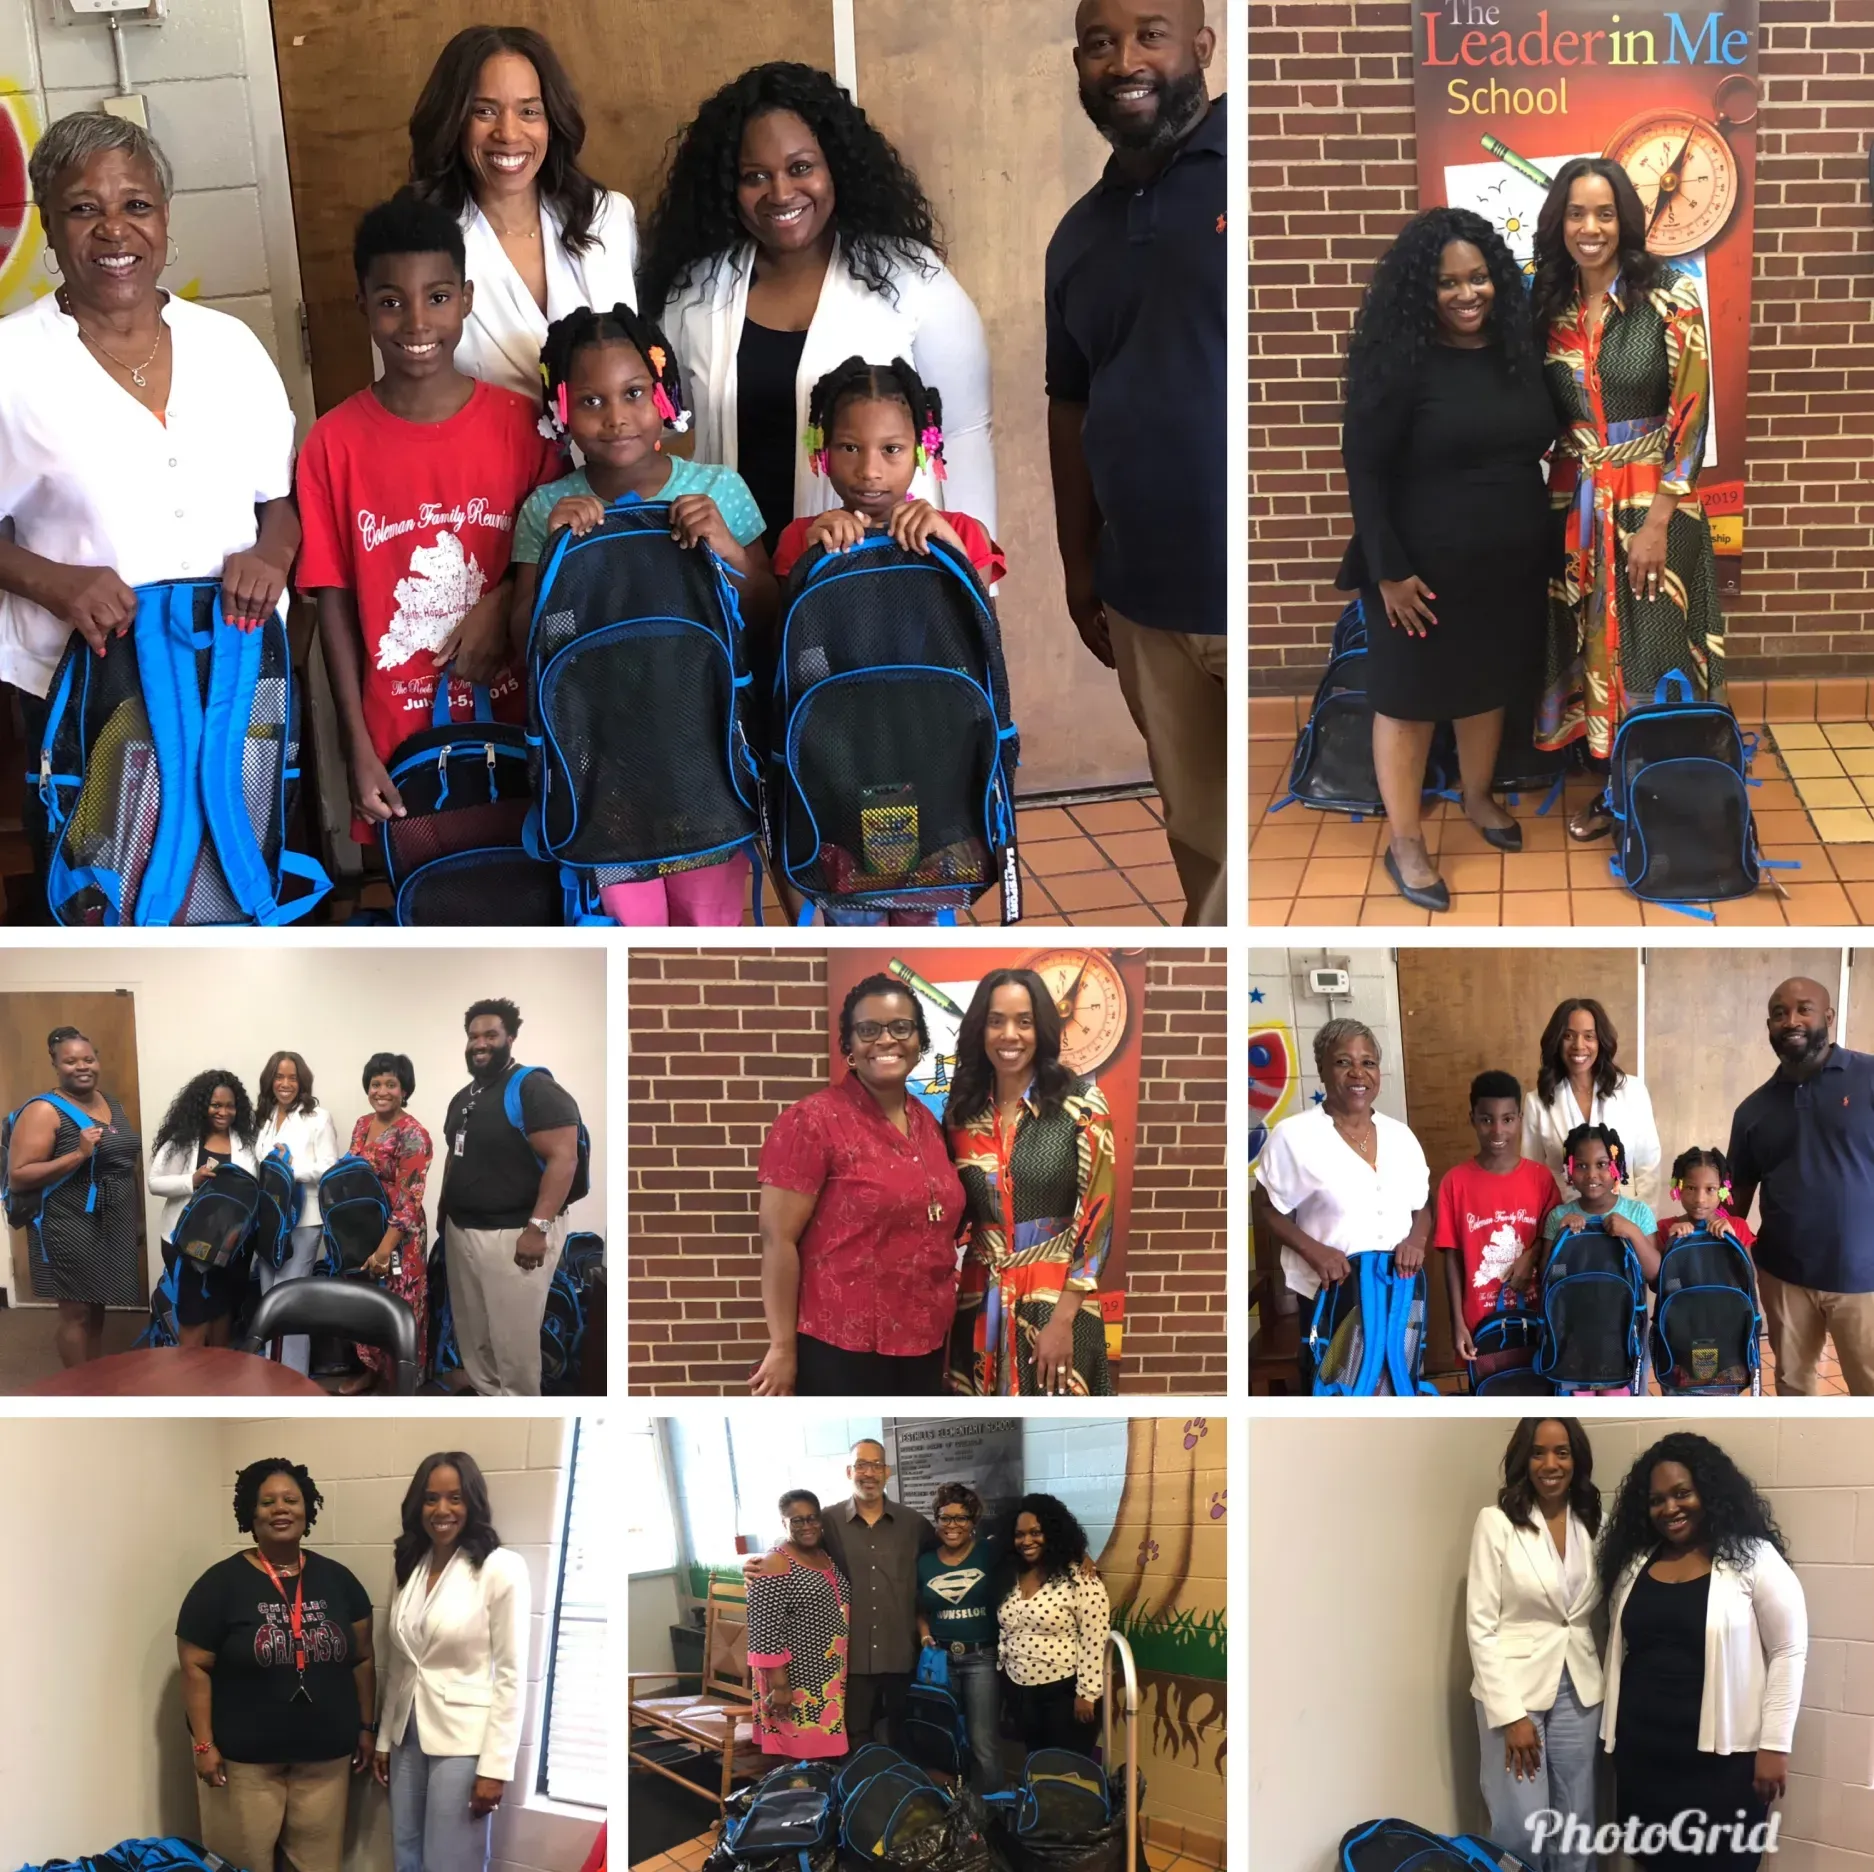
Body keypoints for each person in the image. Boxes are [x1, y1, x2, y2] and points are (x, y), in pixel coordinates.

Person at [0, 114, 298, 915]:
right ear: (50, 226)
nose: (114, 230)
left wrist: (270, 558)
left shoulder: (228, 344)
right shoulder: (11, 362)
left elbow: (281, 505)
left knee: (234, 879)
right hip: (88, 686)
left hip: (234, 675)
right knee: (108, 895)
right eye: (83, 208)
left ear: (165, 218)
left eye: (136, 204)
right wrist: (59, 582)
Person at [643, 63, 993, 554]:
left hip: (873, 578)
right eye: (755, 176)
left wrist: (974, 583)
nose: (781, 193)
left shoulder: (910, 277)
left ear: (836, 167)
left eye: (801, 167)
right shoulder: (696, 292)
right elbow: (651, 423)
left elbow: (963, 429)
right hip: (734, 578)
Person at [297, 192, 561, 842]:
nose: (416, 321)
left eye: (437, 297)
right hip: (399, 742)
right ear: (363, 306)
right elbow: (331, 607)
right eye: (391, 302)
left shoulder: (524, 427)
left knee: (531, 901)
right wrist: (354, 748)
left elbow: (556, 561)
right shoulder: (331, 445)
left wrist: (500, 601)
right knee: (431, 907)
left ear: (466, 299)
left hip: (523, 728)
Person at [507, 304, 776, 926]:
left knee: (706, 926)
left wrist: (728, 548)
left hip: (705, 756)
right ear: (561, 409)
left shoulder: (719, 488)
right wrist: (554, 556)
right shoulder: (546, 506)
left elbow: (766, 614)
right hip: (602, 766)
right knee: (627, 929)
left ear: (663, 394)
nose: (616, 417)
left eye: (632, 393)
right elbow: (525, 638)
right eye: (592, 401)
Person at [1047, 0, 1226, 925]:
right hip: (1144, 602)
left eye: (1150, 34)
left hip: (1257, 598)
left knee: (1267, 851)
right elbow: (1068, 404)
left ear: (1202, 46)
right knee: (1201, 836)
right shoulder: (1076, 238)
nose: (1124, 60)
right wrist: (1081, 568)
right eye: (1099, 43)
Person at [1338, 207, 1555, 911]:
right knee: (1408, 703)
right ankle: (1405, 841)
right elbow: (1364, 470)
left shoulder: (1516, 350)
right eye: (1447, 283)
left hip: (1506, 565)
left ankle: (1477, 796)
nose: (1468, 294)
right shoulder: (1400, 359)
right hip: (1418, 573)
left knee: (1485, 687)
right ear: (1419, 290)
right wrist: (1389, 570)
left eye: (1479, 278)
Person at [1530, 159, 1725, 836]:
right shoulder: (1545, 305)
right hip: (1575, 502)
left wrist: (1660, 521)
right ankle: (1618, 792)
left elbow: (1691, 415)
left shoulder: (1670, 295)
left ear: (1626, 221)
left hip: (1650, 501)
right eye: (1578, 213)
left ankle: (1667, 790)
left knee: (1652, 648)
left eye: (1605, 213)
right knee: (1593, 650)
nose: (1591, 228)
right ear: (1560, 222)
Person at [1599, 1434, 1807, 1872]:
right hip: (1645, 1751)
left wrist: (1775, 1746)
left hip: (1723, 1762)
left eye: (1681, 1494)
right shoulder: (1636, 1560)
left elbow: (1789, 1650)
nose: (1669, 1509)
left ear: (1708, 1493)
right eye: (1657, 1500)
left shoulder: (1753, 1558)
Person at [752, 977, 966, 1397]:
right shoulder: (811, 1122)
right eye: (869, 1030)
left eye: (901, 1028)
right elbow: (777, 1240)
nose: (886, 1040)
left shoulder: (929, 1122)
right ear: (849, 1046)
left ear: (919, 1040)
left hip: (925, 1338)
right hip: (843, 1348)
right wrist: (782, 1347)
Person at [406, 25, 639, 400]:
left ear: (552, 121)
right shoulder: (413, 241)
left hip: (610, 456)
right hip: (484, 459)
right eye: (484, 111)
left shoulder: (608, 217)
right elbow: (402, 402)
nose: (509, 133)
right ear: (454, 122)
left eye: (529, 111)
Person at [177, 1458, 376, 1872]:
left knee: (317, 1866)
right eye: (267, 1501)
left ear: (308, 1510)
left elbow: (362, 1658)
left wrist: (365, 1726)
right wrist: (203, 1744)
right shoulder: (218, 1585)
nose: (280, 1509)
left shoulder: (339, 1580)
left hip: (326, 1761)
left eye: (291, 1499)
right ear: (251, 1512)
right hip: (244, 1764)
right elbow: (195, 1666)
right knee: (241, 1864)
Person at [944, 968, 1117, 1397]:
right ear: (980, 1028)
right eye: (996, 1020)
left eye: (1024, 1021)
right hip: (977, 1297)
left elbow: (1099, 1217)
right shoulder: (961, 1111)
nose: (1010, 1035)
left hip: (1055, 1300)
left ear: (1042, 1027)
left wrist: (1063, 1321)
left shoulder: (1080, 1104)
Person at [1251, 1018, 1432, 1384]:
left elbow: (1422, 1207)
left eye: (1368, 1062)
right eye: (1343, 1062)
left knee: (1398, 1380)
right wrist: (1315, 1252)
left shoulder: (1401, 1136)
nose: (1357, 1073)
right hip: (1332, 1295)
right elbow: (1265, 1206)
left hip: (1397, 1290)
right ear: (1321, 1069)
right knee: (1336, 1386)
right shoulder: (1295, 1136)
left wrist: (1416, 1241)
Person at [374, 1452, 532, 1871]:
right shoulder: (408, 1565)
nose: (441, 1510)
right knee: (405, 1850)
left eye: (454, 1498)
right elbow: (400, 1661)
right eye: (430, 1499)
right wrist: (383, 1738)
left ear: (472, 1503)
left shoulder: (501, 1568)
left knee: (451, 1859)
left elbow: (512, 1675)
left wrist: (495, 1768)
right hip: (406, 1734)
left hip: (464, 1742)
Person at [1465, 1419, 1605, 1872]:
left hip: (1579, 1688)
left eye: (1562, 1452)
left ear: (1576, 1459)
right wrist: (1511, 1715)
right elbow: (1481, 1625)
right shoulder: (1497, 1522)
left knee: (1576, 1819)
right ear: (1523, 1459)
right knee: (1522, 1825)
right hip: (1514, 1692)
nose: (1550, 1464)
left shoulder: (1591, 1522)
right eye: (1539, 1452)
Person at [1727, 976, 1874, 1395]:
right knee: (1793, 1391)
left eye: (1803, 1009)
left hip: (1865, 1280)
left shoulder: (1869, 1077)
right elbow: (1734, 1201)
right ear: (1769, 1026)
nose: (1790, 1020)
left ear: (1828, 1017)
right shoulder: (1752, 1110)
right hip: (1784, 1278)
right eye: (1779, 1013)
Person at [436, 999, 583, 1397]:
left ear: (510, 1039)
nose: (479, 1043)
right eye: (473, 1036)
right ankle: (488, 1394)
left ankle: (518, 1402)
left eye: (490, 1035)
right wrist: (442, 1214)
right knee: (474, 1334)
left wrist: (537, 1229)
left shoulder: (534, 1089)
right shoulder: (465, 1095)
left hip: (515, 1235)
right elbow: (456, 1153)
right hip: (462, 1231)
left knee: (513, 1342)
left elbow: (564, 1159)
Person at [750, 1438, 936, 1750]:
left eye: (876, 1465)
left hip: (901, 1653)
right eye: (861, 1465)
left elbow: (937, 1567)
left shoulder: (914, 1523)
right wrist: (759, 1564)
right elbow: (795, 1547)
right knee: (853, 1737)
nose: (869, 1473)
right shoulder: (828, 1522)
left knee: (905, 1734)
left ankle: (901, 1793)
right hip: (849, 1660)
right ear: (849, 1471)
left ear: (887, 1471)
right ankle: (858, 1795)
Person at [4, 1025, 141, 1366]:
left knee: (97, 1305)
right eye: (71, 1061)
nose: (82, 1067)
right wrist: (77, 1154)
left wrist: (135, 1217)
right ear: (55, 1065)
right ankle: (78, 1388)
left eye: (88, 1059)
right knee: (77, 1311)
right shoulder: (44, 1110)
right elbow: (18, 1177)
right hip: (67, 1222)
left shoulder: (110, 1102)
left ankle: (91, 1375)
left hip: (112, 1219)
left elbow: (123, 1161)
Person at [1434, 1072, 1561, 1366]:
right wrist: (1458, 1323)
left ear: (1519, 1118)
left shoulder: (1540, 1178)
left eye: (1507, 1119)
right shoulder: (1455, 1182)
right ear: (1472, 1119)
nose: (1497, 1131)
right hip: (1480, 1324)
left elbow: (1553, 1237)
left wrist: (1531, 1255)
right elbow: (1451, 1259)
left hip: (1535, 1317)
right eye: (1486, 1119)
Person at [148, 1071, 259, 1351]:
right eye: (216, 1105)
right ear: (201, 1105)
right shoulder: (182, 1141)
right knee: (193, 1315)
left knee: (223, 1311)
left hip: (229, 1245)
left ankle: (216, 1378)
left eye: (230, 1105)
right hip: (185, 1241)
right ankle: (191, 1383)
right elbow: (154, 1183)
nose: (224, 1112)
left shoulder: (245, 1142)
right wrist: (191, 1181)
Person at [344, 1052, 433, 1396]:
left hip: (400, 1236)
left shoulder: (414, 1134)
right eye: (375, 1083)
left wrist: (384, 1250)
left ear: (405, 1089)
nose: (382, 1090)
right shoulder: (362, 1124)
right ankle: (372, 1372)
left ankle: (396, 1384)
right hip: (364, 1226)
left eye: (391, 1084)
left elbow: (410, 1199)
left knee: (399, 1307)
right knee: (365, 1305)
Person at [995, 1493, 1109, 1757]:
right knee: (1035, 1761)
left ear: (1055, 1533)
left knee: (1064, 1771)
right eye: (1019, 1534)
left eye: (1036, 1532)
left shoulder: (1080, 1579)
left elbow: (1095, 1639)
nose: (1027, 1541)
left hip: (1063, 1693)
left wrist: (1087, 1694)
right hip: (1019, 1690)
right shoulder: (1009, 1576)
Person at [1522, 998, 1662, 1211]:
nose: (1579, 1046)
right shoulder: (1537, 1102)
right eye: (1568, 1036)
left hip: (1627, 1221)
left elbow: (1648, 1167)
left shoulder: (1633, 1091)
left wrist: (1638, 1223)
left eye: (1589, 1036)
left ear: (1601, 1042)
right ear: (1557, 1041)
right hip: (1566, 1224)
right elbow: (1531, 1175)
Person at [252, 1050, 341, 1376]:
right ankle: (267, 1372)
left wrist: (291, 1169)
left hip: (302, 1221)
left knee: (292, 1300)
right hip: (270, 1219)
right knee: (269, 1298)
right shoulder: (265, 1116)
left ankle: (291, 1377)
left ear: (302, 1081)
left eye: (292, 1077)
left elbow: (330, 1167)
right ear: (270, 1080)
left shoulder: (318, 1117)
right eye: (279, 1076)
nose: (285, 1083)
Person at [747, 1489, 851, 1760]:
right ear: (784, 1523)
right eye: (797, 1520)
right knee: (797, 1755)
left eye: (812, 1518)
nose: (807, 1526)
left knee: (820, 1755)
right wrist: (780, 1686)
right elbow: (763, 1632)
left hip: (825, 1676)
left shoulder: (824, 1554)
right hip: (795, 1678)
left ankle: (821, 1799)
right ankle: (797, 1800)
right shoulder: (776, 1561)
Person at [916, 1482, 1002, 1794]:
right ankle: (953, 1810)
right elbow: (920, 1609)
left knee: (983, 1742)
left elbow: (1034, 1551)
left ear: (973, 1521)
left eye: (961, 1518)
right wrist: (925, 1638)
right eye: (945, 1517)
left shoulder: (989, 1553)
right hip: (941, 1661)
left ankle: (992, 1814)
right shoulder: (925, 1562)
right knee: (944, 1736)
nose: (952, 1526)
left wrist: (1082, 1555)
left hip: (982, 1659)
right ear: (936, 1520)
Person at [1539, 1125, 1659, 1282]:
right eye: (1581, 1166)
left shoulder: (1638, 1212)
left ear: (1617, 1166)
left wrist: (1633, 1232)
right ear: (1570, 1169)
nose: (1591, 1175)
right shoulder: (1559, 1216)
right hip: (1572, 1306)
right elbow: (1550, 1279)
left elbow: (1655, 1277)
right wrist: (1562, 1239)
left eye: (1602, 1164)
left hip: (1624, 1306)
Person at [1658, 1147, 1756, 1251]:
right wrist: (1671, 1242)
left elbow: (1748, 1267)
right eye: (1691, 1188)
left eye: (1710, 1189)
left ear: (1723, 1190)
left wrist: (1733, 1240)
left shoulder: (1737, 1227)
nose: (1700, 1199)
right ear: (1678, 1188)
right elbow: (1656, 1267)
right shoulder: (1665, 1228)